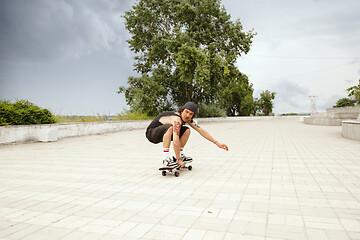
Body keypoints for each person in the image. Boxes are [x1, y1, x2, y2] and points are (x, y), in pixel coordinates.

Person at [146, 102, 229, 168]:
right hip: (152, 134)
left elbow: (201, 131)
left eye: (191, 114)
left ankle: (179, 156)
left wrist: (217, 143)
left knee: (187, 130)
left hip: (164, 134)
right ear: (182, 110)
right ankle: (166, 159)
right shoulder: (176, 120)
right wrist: (178, 160)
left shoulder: (188, 119)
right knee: (171, 128)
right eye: (186, 112)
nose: (187, 115)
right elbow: (175, 141)